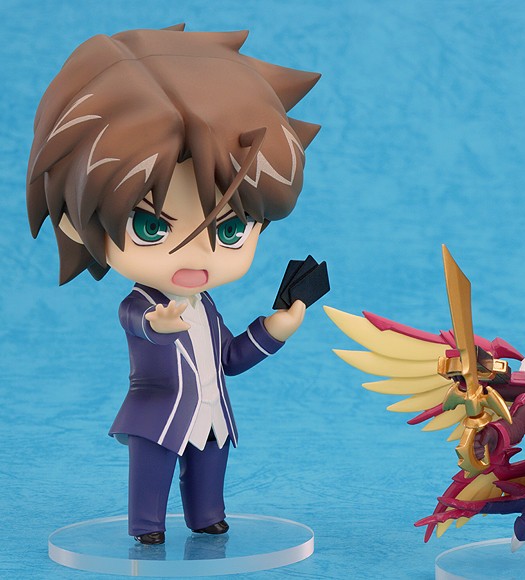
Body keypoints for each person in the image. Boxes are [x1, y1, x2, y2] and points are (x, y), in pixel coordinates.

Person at [26, 25, 320, 544]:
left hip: (212, 414)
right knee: (152, 475)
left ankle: (207, 514)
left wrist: (275, 329)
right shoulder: (139, 305)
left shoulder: (206, 308)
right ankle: (147, 526)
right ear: (76, 223)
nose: (195, 254)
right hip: (157, 415)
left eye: (230, 231)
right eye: (151, 227)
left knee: (210, 467)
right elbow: (140, 324)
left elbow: (229, 359)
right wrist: (159, 326)